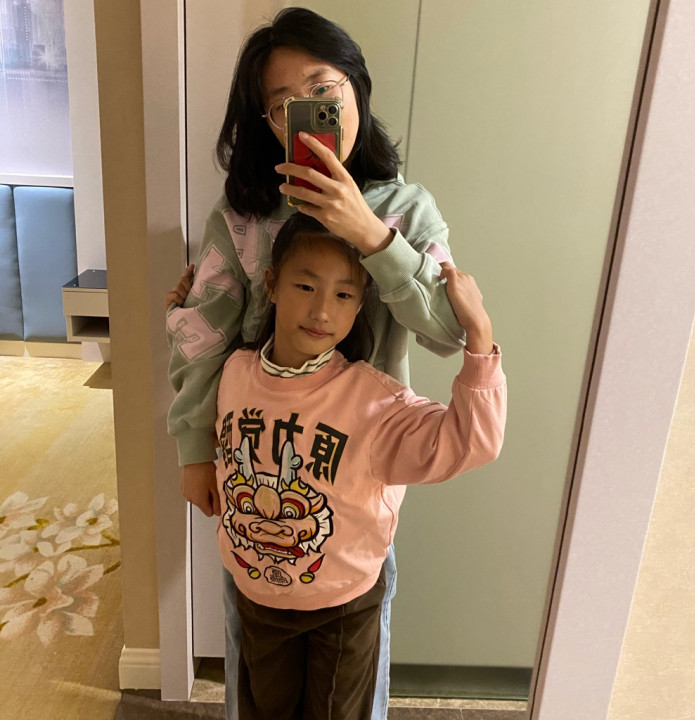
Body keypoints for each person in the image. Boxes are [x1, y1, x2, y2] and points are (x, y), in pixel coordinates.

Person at [167, 7, 468, 719]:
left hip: (358, 481)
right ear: (267, 123)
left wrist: (371, 235)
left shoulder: (405, 210)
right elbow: (204, 336)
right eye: (282, 104)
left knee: (354, 673)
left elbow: (449, 331)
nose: (307, 112)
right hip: (256, 473)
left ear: (356, 87)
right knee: (256, 662)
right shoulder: (243, 215)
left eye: (322, 90)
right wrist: (194, 446)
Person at [213, 212, 505, 720]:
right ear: (272, 284)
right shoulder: (234, 372)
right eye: (306, 286)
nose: (322, 310)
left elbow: (469, 443)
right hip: (258, 596)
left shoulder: (374, 402)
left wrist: (479, 334)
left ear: (360, 305)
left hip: (342, 607)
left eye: (344, 295)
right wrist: (178, 316)